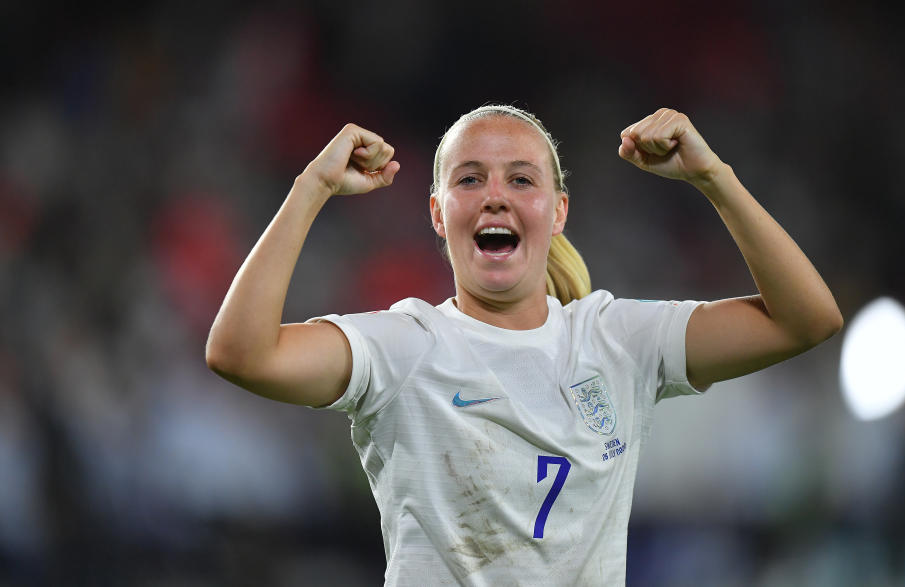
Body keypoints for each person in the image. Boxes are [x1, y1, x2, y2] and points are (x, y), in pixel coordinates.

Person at [205, 105, 843, 585]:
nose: (495, 198)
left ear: (558, 211)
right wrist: (309, 188)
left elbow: (805, 319)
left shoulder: (616, 339)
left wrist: (714, 177)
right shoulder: (403, 345)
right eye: (471, 179)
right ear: (437, 212)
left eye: (521, 180)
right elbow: (240, 354)